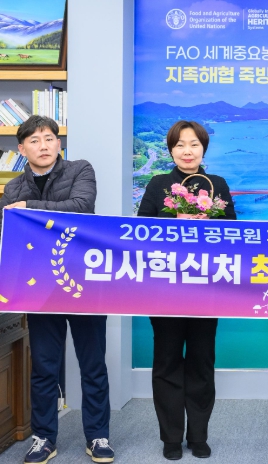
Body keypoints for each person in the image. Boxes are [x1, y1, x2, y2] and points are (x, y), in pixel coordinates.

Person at [0, 116, 114, 464]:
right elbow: (10, 236)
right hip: (38, 288)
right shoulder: (13, 189)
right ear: (22, 149)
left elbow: (81, 208)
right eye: (34, 141)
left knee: (92, 364)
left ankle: (98, 436)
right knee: (44, 367)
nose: (44, 145)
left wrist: (29, 208)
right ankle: (44, 438)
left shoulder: (80, 170)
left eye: (49, 138)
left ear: (58, 143)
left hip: (84, 283)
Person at [137, 120, 236, 460]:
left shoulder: (217, 185)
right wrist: (173, 223)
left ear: (203, 148)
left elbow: (234, 234)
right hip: (164, 288)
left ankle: (198, 435)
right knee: (166, 360)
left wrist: (211, 223)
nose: (187, 151)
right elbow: (141, 231)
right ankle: (170, 437)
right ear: (171, 150)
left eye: (194, 144)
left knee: (201, 361)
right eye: (180, 145)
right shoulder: (158, 184)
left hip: (206, 288)